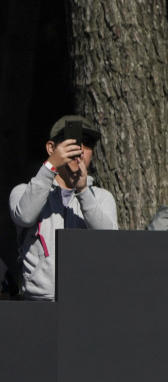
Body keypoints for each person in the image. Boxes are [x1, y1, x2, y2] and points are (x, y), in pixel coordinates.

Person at [9, 115, 118, 301]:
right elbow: (25, 216)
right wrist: (50, 166)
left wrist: (83, 191)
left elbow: (108, 242)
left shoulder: (102, 197)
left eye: (88, 143)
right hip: (38, 304)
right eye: (73, 142)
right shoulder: (23, 191)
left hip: (87, 302)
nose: (81, 150)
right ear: (52, 148)